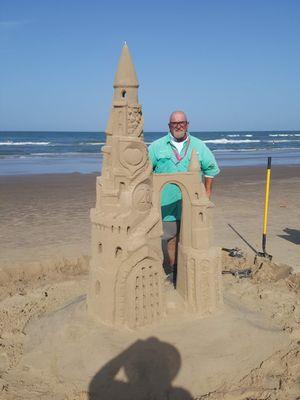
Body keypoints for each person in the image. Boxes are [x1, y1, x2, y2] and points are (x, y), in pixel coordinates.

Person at [148, 111, 220, 280]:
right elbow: (144, 173)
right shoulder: (156, 147)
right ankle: (174, 271)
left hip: (191, 205)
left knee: (190, 238)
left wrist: (207, 192)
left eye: (182, 123)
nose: (178, 126)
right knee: (170, 238)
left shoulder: (199, 146)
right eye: (174, 123)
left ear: (187, 124)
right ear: (169, 126)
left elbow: (211, 169)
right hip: (166, 205)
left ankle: (183, 273)